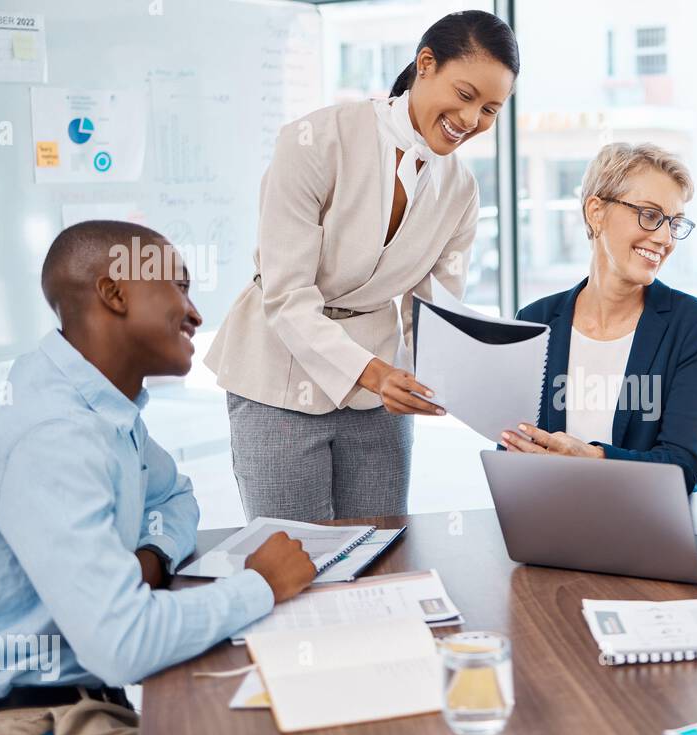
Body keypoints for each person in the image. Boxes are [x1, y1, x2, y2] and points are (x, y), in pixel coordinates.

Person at [0, 221, 316, 735]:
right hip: (30, 732)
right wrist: (260, 584)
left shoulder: (102, 414)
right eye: (178, 285)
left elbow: (175, 495)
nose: (196, 314)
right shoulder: (54, 435)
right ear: (114, 292)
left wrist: (149, 557)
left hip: (82, 711)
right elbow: (123, 645)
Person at [205, 11, 519, 521]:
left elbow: (433, 308)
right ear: (425, 64)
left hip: (379, 395)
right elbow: (286, 295)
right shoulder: (315, 140)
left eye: (489, 109)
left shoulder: (461, 189)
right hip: (278, 375)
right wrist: (371, 373)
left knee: (380, 553)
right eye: (464, 95)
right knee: (294, 556)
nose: (470, 120)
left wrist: (456, 383)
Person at [500, 143, 697, 492]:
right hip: (551, 516)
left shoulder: (694, 325)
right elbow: (511, 446)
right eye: (649, 215)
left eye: (674, 223)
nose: (664, 238)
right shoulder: (535, 321)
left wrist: (594, 461)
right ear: (596, 212)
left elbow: (681, 466)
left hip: (649, 525)